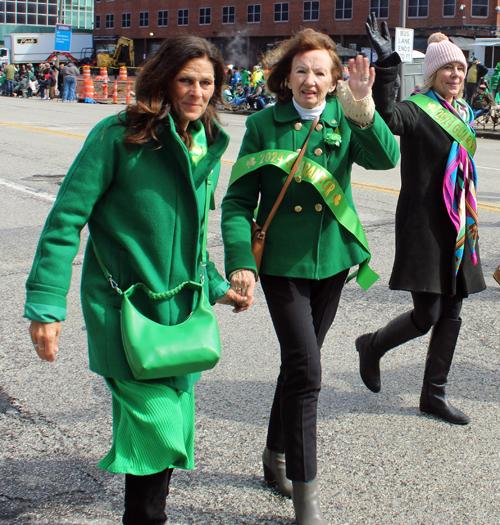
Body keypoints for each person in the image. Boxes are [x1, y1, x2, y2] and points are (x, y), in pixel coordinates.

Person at [25, 35, 249, 525]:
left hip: (183, 320)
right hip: (122, 312)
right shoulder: (116, 136)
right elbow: (65, 221)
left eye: (207, 82)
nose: (197, 91)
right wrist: (46, 304)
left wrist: (216, 286)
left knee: (168, 442)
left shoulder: (205, 143)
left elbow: (190, 242)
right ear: (164, 80)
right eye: (186, 80)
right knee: (160, 432)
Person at [221, 28, 399, 525]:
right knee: (309, 372)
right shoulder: (263, 124)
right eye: (301, 70)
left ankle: (274, 455)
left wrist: (364, 106)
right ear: (286, 76)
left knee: (299, 366)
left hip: (333, 264)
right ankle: (306, 501)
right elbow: (238, 201)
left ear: (334, 79)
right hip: (282, 267)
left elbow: (388, 158)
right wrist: (240, 260)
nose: (311, 80)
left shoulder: (345, 116)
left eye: (321, 72)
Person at [357, 15, 486, 427]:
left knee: (453, 309)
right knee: (427, 313)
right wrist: (388, 67)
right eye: (447, 67)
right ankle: (372, 346)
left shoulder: (462, 111)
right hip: (424, 224)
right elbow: (388, 117)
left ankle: (434, 395)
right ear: (432, 73)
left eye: (460, 67)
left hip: (460, 223)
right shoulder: (416, 109)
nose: (455, 73)